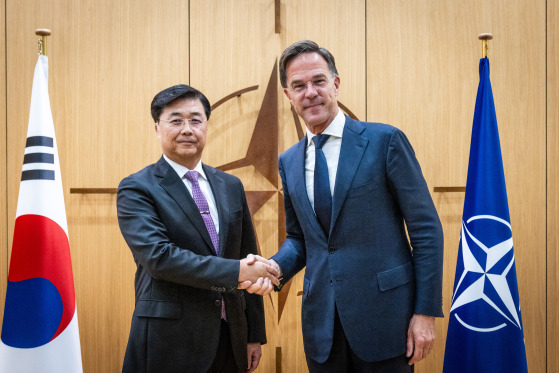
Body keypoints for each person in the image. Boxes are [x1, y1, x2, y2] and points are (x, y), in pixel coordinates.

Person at [246, 40, 444, 372]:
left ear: (335, 84)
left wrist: (425, 314)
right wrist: (274, 269)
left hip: (387, 322)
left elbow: (426, 231)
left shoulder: (385, 142)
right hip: (322, 330)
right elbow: (300, 239)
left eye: (318, 81)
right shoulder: (289, 161)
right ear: (288, 95)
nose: (310, 92)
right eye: (299, 86)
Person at [117, 84, 279, 373]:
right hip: (169, 340)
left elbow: (249, 253)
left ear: (206, 125)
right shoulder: (138, 188)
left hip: (230, 338)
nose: (187, 129)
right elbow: (159, 258)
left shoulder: (230, 185)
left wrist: (254, 334)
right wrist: (238, 271)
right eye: (176, 120)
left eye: (195, 119)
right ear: (157, 128)